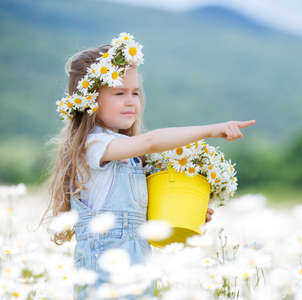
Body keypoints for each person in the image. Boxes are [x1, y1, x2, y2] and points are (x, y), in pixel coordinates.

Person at [39, 32, 256, 299]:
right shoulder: (93, 146)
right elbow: (153, 141)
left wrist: (186, 213)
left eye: (135, 93)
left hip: (138, 268)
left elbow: (141, 220)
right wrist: (212, 129)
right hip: (104, 274)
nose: (131, 101)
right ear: (90, 101)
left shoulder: (129, 155)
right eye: (119, 93)